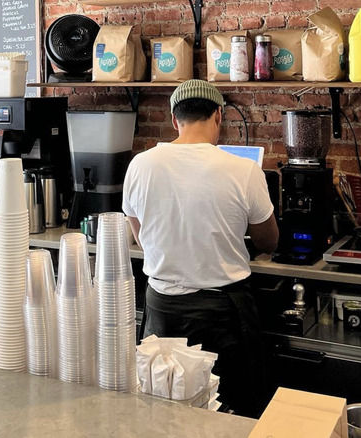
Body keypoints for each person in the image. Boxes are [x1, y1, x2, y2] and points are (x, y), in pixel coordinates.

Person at [123, 79, 279, 418]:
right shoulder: (244, 170)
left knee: (162, 410)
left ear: (175, 120)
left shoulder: (140, 165)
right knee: (230, 411)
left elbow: (140, 236)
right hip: (222, 313)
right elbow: (269, 242)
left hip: (160, 308)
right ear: (219, 116)